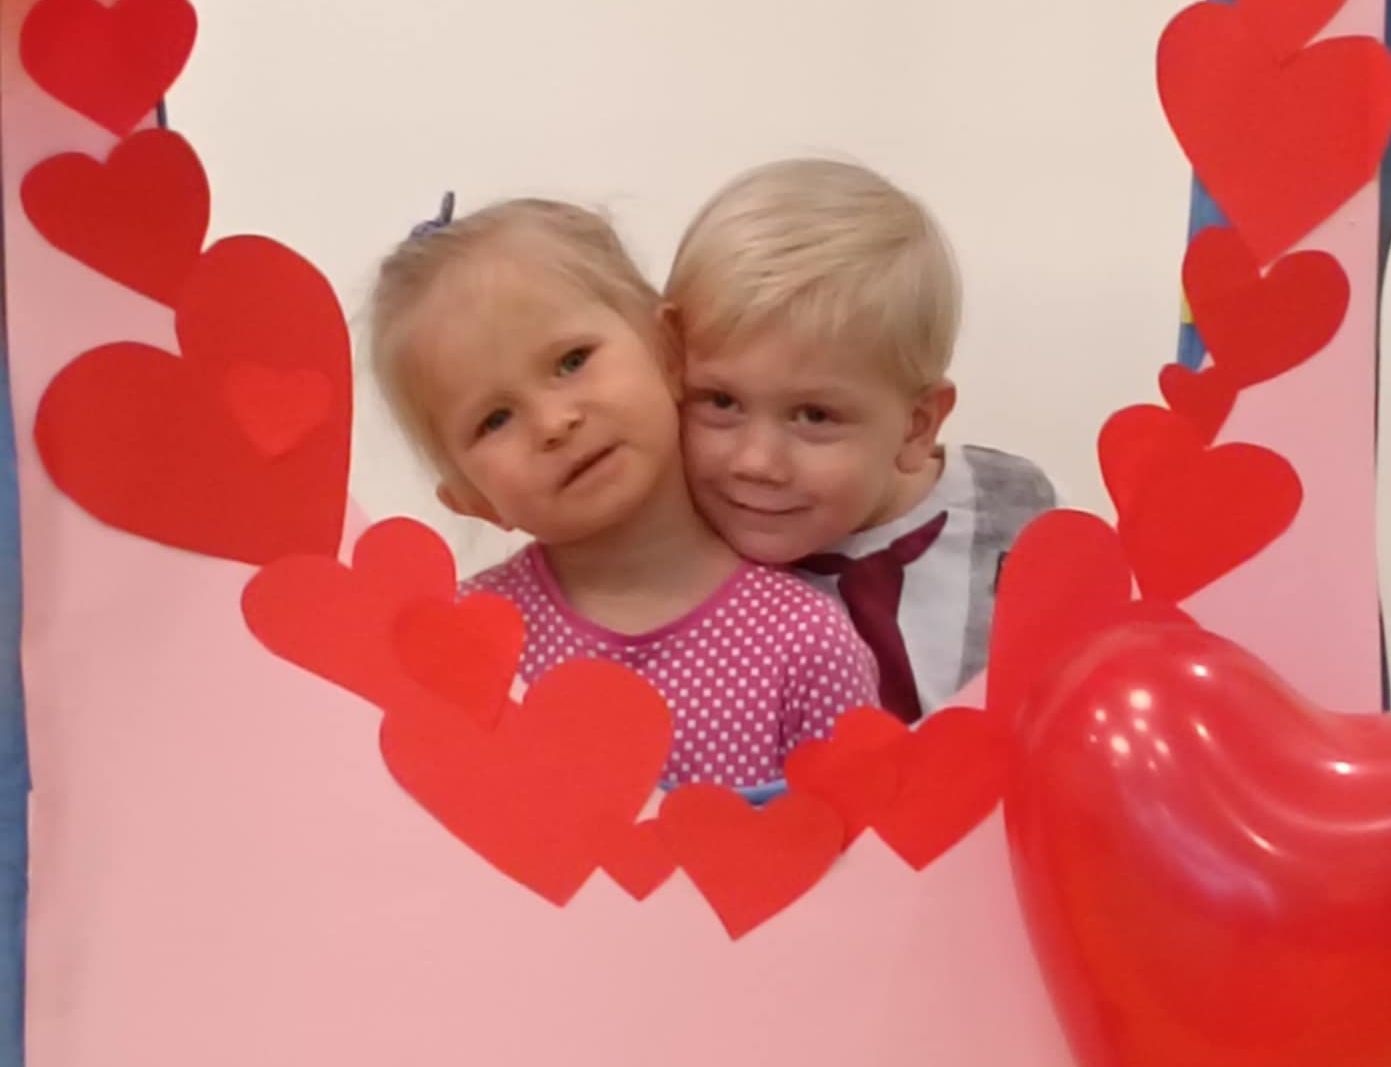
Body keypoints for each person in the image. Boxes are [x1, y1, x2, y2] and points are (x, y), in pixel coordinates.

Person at [368, 194, 878, 787]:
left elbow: (863, 838)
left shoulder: (805, 644)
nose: (554, 423)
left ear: (667, 351)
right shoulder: (465, 644)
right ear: (473, 500)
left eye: (571, 361)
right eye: (495, 420)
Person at [667, 158, 1055, 715]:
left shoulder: (1017, 514)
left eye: (814, 416)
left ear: (917, 426)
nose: (756, 462)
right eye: (720, 402)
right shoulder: (677, 539)